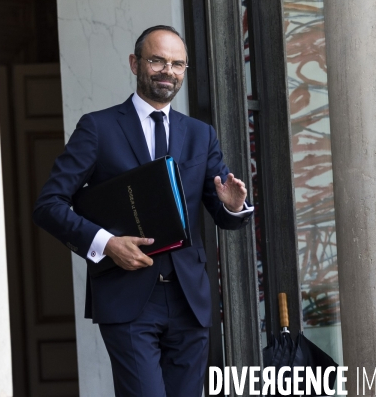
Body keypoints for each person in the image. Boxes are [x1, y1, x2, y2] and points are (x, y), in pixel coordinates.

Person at [33, 25, 253, 397]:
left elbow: (223, 212)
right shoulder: (98, 128)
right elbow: (49, 204)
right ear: (136, 63)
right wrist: (106, 244)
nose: (168, 71)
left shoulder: (202, 135)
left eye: (178, 64)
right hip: (128, 299)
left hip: (189, 300)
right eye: (157, 61)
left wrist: (233, 207)